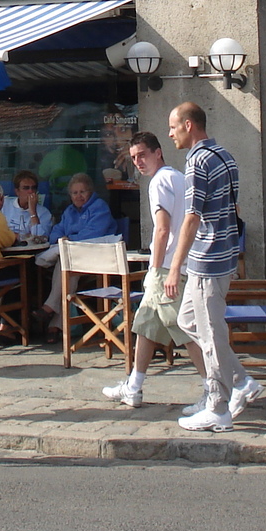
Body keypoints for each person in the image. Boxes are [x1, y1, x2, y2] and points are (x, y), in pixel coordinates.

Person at [165, 102, 262, 432]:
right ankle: (242, 381)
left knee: (209, 333)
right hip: (221, 255)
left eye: (174, 126)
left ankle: (218, 407)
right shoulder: (224, 155)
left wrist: (175, 266)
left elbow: (192, 217)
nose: (170, 133)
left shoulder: (197, 162)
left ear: (189, 125)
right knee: (188, 320)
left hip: (208, 257)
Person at [102, 132, 206, 408]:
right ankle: (134, 386)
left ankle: (215, 389)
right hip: (179, 264)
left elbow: (162, 229)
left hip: (169, 267)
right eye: (133, 157)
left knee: (184, 330)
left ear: (158, 152)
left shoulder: (160, 181)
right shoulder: (177, 177)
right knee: (146, 324)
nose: (138, 162)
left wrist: (155, 269)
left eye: (142, 155)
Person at [32, 173, 118, 338]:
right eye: (75, 193)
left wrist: (69, 239)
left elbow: (93, 234)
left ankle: (50, 310)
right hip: (75, 258)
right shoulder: (69, 211)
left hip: (99, 257)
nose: (79, 196)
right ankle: (55, 324)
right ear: (70, 195)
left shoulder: (99, 207)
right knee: (67, 266)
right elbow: (57, 230)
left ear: (90, 192)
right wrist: (59, 238)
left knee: (66, 264)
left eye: (82, 192)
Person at [2, 169, 53, 242]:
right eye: (26, 188)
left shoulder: (44, 212)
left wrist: (33, 212)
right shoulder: (5, 206)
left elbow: (41, 239)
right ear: (17, 191)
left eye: (33, 188)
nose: (31, 191)